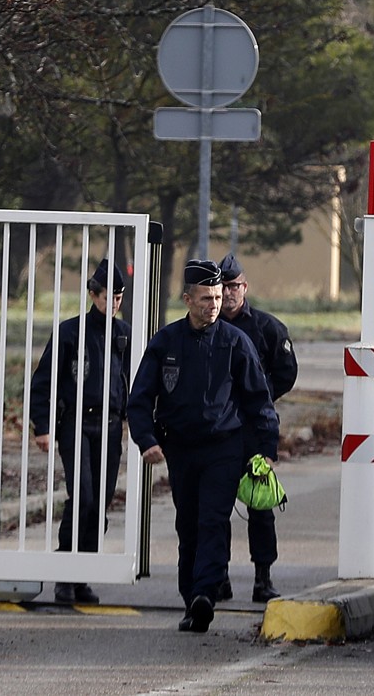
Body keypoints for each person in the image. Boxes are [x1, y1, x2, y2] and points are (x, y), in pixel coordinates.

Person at [127, 259, 279, 633]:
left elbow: (259, 400)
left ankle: (205, 595)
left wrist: (266, 448)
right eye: (205, 298)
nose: (214, 304)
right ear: (187, 299)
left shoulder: (235, 342)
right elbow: (140, 398)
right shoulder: (166, 342)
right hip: (180, 448)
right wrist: (146, 441)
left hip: (223, 448)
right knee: (189, 524)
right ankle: (190, 596)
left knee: (213, 520)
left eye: (217, 296)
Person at [29, 258, 131, 605]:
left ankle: (84, 574)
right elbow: (44, 381)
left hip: (112, 424)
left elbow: (134, 381)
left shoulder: (124, 334)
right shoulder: (70, 332)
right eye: (108, 296)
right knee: (83, 498)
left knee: (99, 503)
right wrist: (42, 426)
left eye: (119, 297)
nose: (114, 303)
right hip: (77, 423)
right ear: (92, 294)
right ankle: (65, 574)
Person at [217, 252, 299, 603]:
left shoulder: (268, 328)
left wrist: (260, 399)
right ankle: (217, 575)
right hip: (218, 431)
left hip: (253, 431)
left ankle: (262, 577)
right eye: (223, 286)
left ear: (245, 287)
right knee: (216, 508)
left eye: (233, 286)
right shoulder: (207, 326)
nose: (228, 292)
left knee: (260, 507)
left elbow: (286, 373)